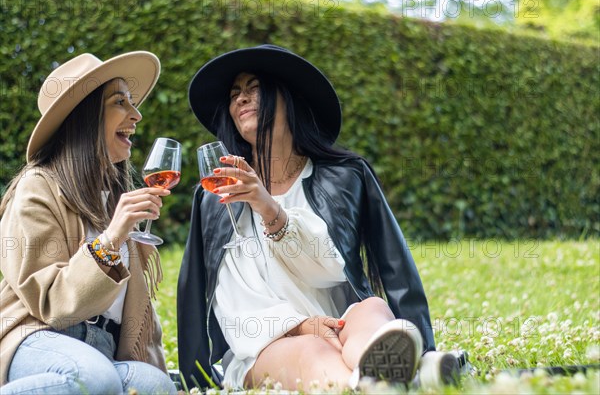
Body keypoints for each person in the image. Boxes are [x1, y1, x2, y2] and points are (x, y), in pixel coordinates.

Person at [178, 44, 458, 391]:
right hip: (267, 346)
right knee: (310, 349)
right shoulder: (215, 198)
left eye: (254, 88)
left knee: (370, 308)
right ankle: (389, 383)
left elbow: (373, 267)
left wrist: (270, 208)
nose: (240, 99)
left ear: (288, 98)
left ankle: (398, 370)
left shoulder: (343, 177)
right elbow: (228, 302)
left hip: (341, 325)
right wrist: (298, 326)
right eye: (234, 93)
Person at [0, 51, 177, 394]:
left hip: (102, 349)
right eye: (119, 102)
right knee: (94, 379)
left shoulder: (110, 198)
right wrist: (110, 239)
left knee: (156, 387)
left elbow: (136, 314)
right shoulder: (37, 187)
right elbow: (51, 304)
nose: (136, 115)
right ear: (86, 115)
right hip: (38, 338)